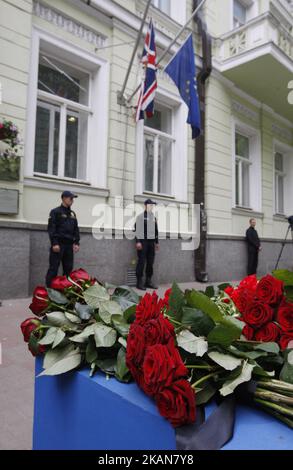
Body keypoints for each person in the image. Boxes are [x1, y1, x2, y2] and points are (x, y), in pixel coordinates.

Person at [46, 190, 80, 287]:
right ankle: (50, 291)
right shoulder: (55, 212)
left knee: (68, 269)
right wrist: (54, 243)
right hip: (58, 245)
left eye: (73, 199)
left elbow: (76, 229)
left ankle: (65, 291)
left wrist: (76, 242)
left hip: (69, 246)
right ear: (64, 198)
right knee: (53, 269)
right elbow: (52, 228)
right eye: (71, 198)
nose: (72, 200)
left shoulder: (72, 214)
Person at [134, 199, 159, 290]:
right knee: (141, 261)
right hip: (143, 242)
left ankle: (148, 281)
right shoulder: (140, 217)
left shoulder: (153, 217)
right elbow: (137, 230)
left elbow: (156, 230)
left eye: (152, 205)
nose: (151, 207)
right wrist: (138, 241)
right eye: (150, 205)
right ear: (145, 205)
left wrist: (156, 242)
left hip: (151, 243)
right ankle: (139, 282)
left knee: (150, 262)